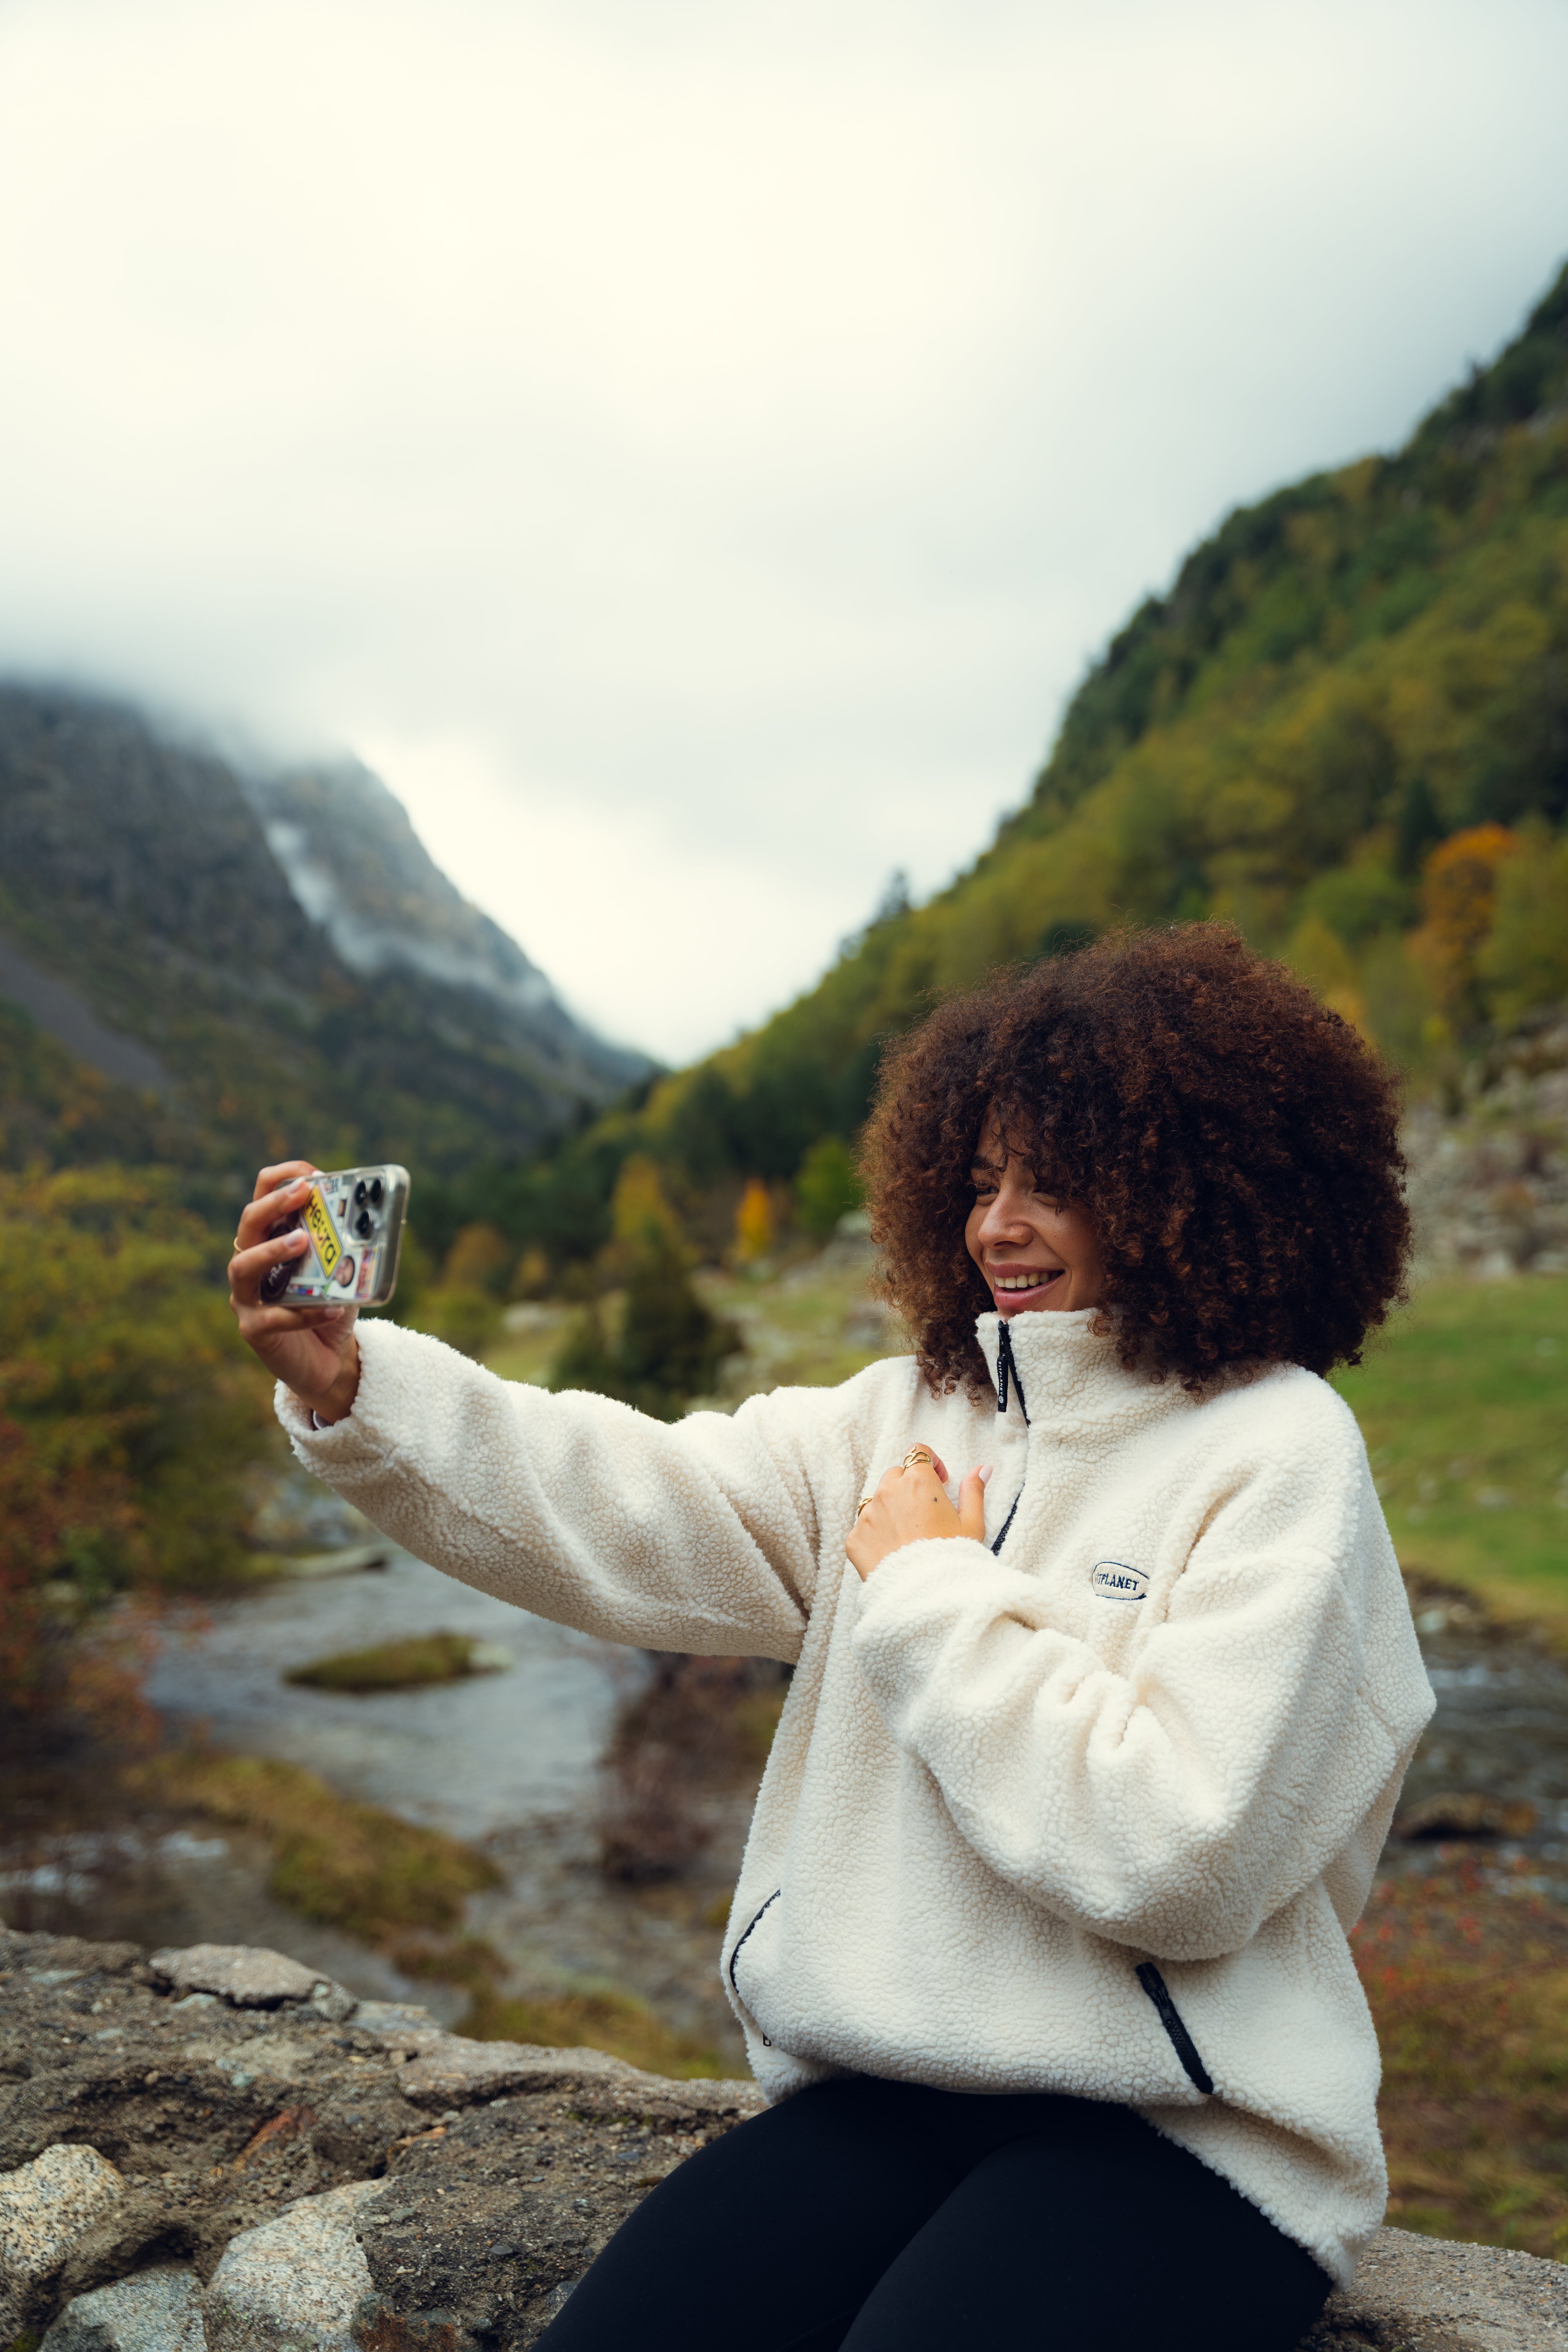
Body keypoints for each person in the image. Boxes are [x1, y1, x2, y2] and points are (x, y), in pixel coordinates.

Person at [229, 923, 1433, 2352]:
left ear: (1191, 1185)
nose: (998, 1225)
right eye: (982, 1182)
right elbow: (624, 1497)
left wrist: (929, 1594)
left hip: (1184, 2138)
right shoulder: (900, 1416)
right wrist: (361, 1386)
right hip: (890, 2092)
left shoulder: (1279, 1451)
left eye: (1055, 1184)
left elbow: (1181, 1852)